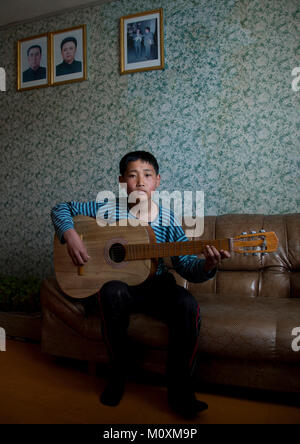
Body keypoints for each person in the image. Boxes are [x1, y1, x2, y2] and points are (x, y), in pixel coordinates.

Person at [51, 151, 230, 419]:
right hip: (119, 287)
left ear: (157, 181)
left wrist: (207, 265)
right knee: (111, 291)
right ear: (122, 181)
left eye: (147, 175)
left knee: (188, 305)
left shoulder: (168, 219)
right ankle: (118, 376)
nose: (140, 182)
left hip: (157, 286)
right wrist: (70, 234)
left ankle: (181, 393)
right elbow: (60, 208)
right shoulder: (106, 209)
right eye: (132, 176)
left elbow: (185, 266)